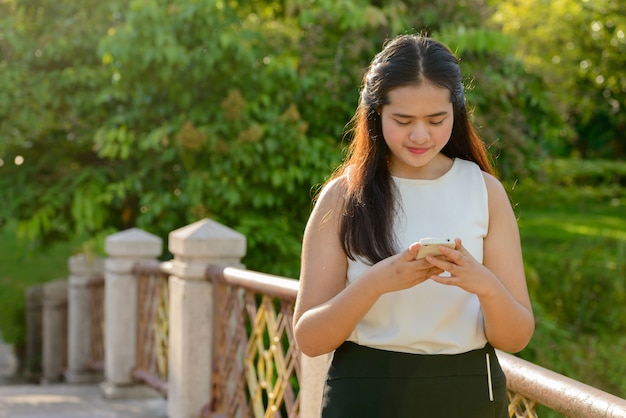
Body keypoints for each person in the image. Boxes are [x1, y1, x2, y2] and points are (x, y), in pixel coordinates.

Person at [293, 34, 534, 417]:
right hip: (365, 390)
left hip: (467, 392)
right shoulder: (343, 195)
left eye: (436, 120)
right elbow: (309, 337)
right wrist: (376, 283)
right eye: (402, 121)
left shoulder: (484, 191)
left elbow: (517, 336)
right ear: (375, 114)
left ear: (456, 113)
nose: (420, 135)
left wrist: (482, 283)